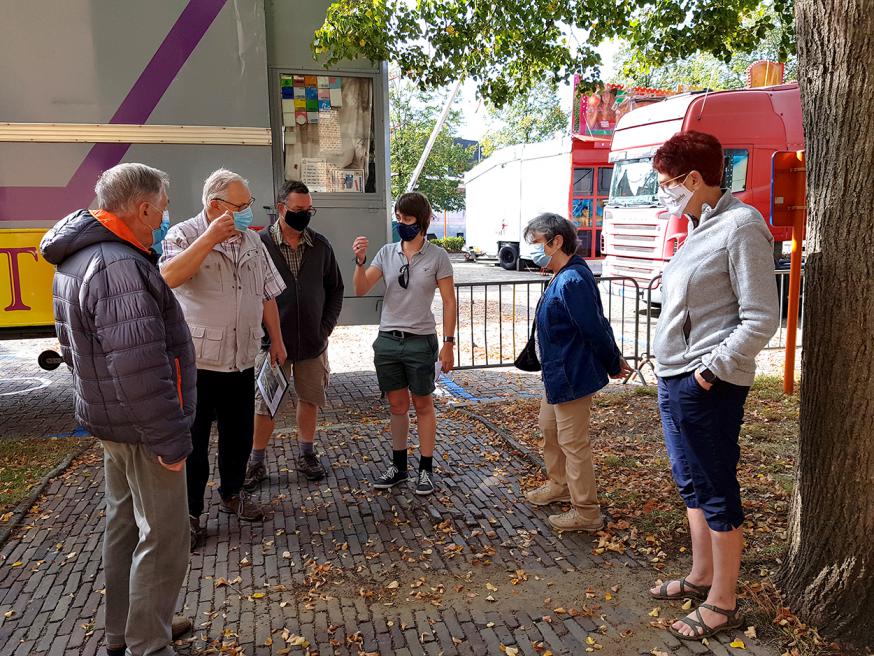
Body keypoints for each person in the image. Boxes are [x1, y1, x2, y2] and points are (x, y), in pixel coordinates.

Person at [40, 163, 194, 656]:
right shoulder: (118, 265)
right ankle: (148, 642)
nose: (165, 216)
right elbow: (138, 365)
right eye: (163, 207)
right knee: (165, 535)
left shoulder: (83, 254)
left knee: (124, 523)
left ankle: (126, 630)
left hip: (111, 419)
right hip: (142, 425)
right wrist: (170, 438)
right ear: (143, 207)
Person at [647, 131, 779, 641]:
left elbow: (761, 316)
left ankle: (723, 601)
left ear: (694, 179)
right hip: (674, 377)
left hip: (707, 383)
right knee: (691, 482)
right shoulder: (698, 225)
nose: (665, 194)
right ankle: (701, 575)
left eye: (667, 184)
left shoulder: (742, 225)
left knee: (716, 486)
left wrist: (712, 369)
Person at [160, 169, 286, 544]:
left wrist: (276, 340)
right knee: (194, 443)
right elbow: (168, 277)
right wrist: (210, 238)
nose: (249, 210)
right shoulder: (182, 234)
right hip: (197, 362)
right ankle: (191, 513)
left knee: (238, 436)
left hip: (241, 358)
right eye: (242, 204)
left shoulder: (252, 241)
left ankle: (233, 493)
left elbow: (267, 294)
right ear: (215, 206)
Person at [521, 214, 632, 531]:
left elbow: (594, 327)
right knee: (550, 431)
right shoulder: (563, 274)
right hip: (556, 374)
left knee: (573, 443)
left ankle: (586, 512)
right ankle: (559, 485)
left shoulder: (572, 280)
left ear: (557, 242)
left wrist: (613, 362)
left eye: (537, 242)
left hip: (571, 375)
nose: (533, 249)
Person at [351, 192, 457, 496]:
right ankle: (398, 466)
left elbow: (449, 302)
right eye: (398, 218)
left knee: (423, 404)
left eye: (406, 218)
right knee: (397, 406)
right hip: (388, 340)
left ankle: (426, 468)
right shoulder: (387, 252)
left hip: (421, 341)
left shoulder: (438, 256)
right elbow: (360, 288)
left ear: (421, 220)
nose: (401, 224)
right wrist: (359, 261)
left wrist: (448, 343)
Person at [244, 180, 344, 488]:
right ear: (281, 209)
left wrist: (324, 328)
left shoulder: (321, 246)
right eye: (298, 210)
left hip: (312, 343)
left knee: (310, 398)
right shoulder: (259, 245)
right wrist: (263, 333)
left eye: (308, 210)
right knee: (265, 402)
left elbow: (336, 289)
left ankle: (306, 454)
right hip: (271, 343)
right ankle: (256, 461)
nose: (304, 215)